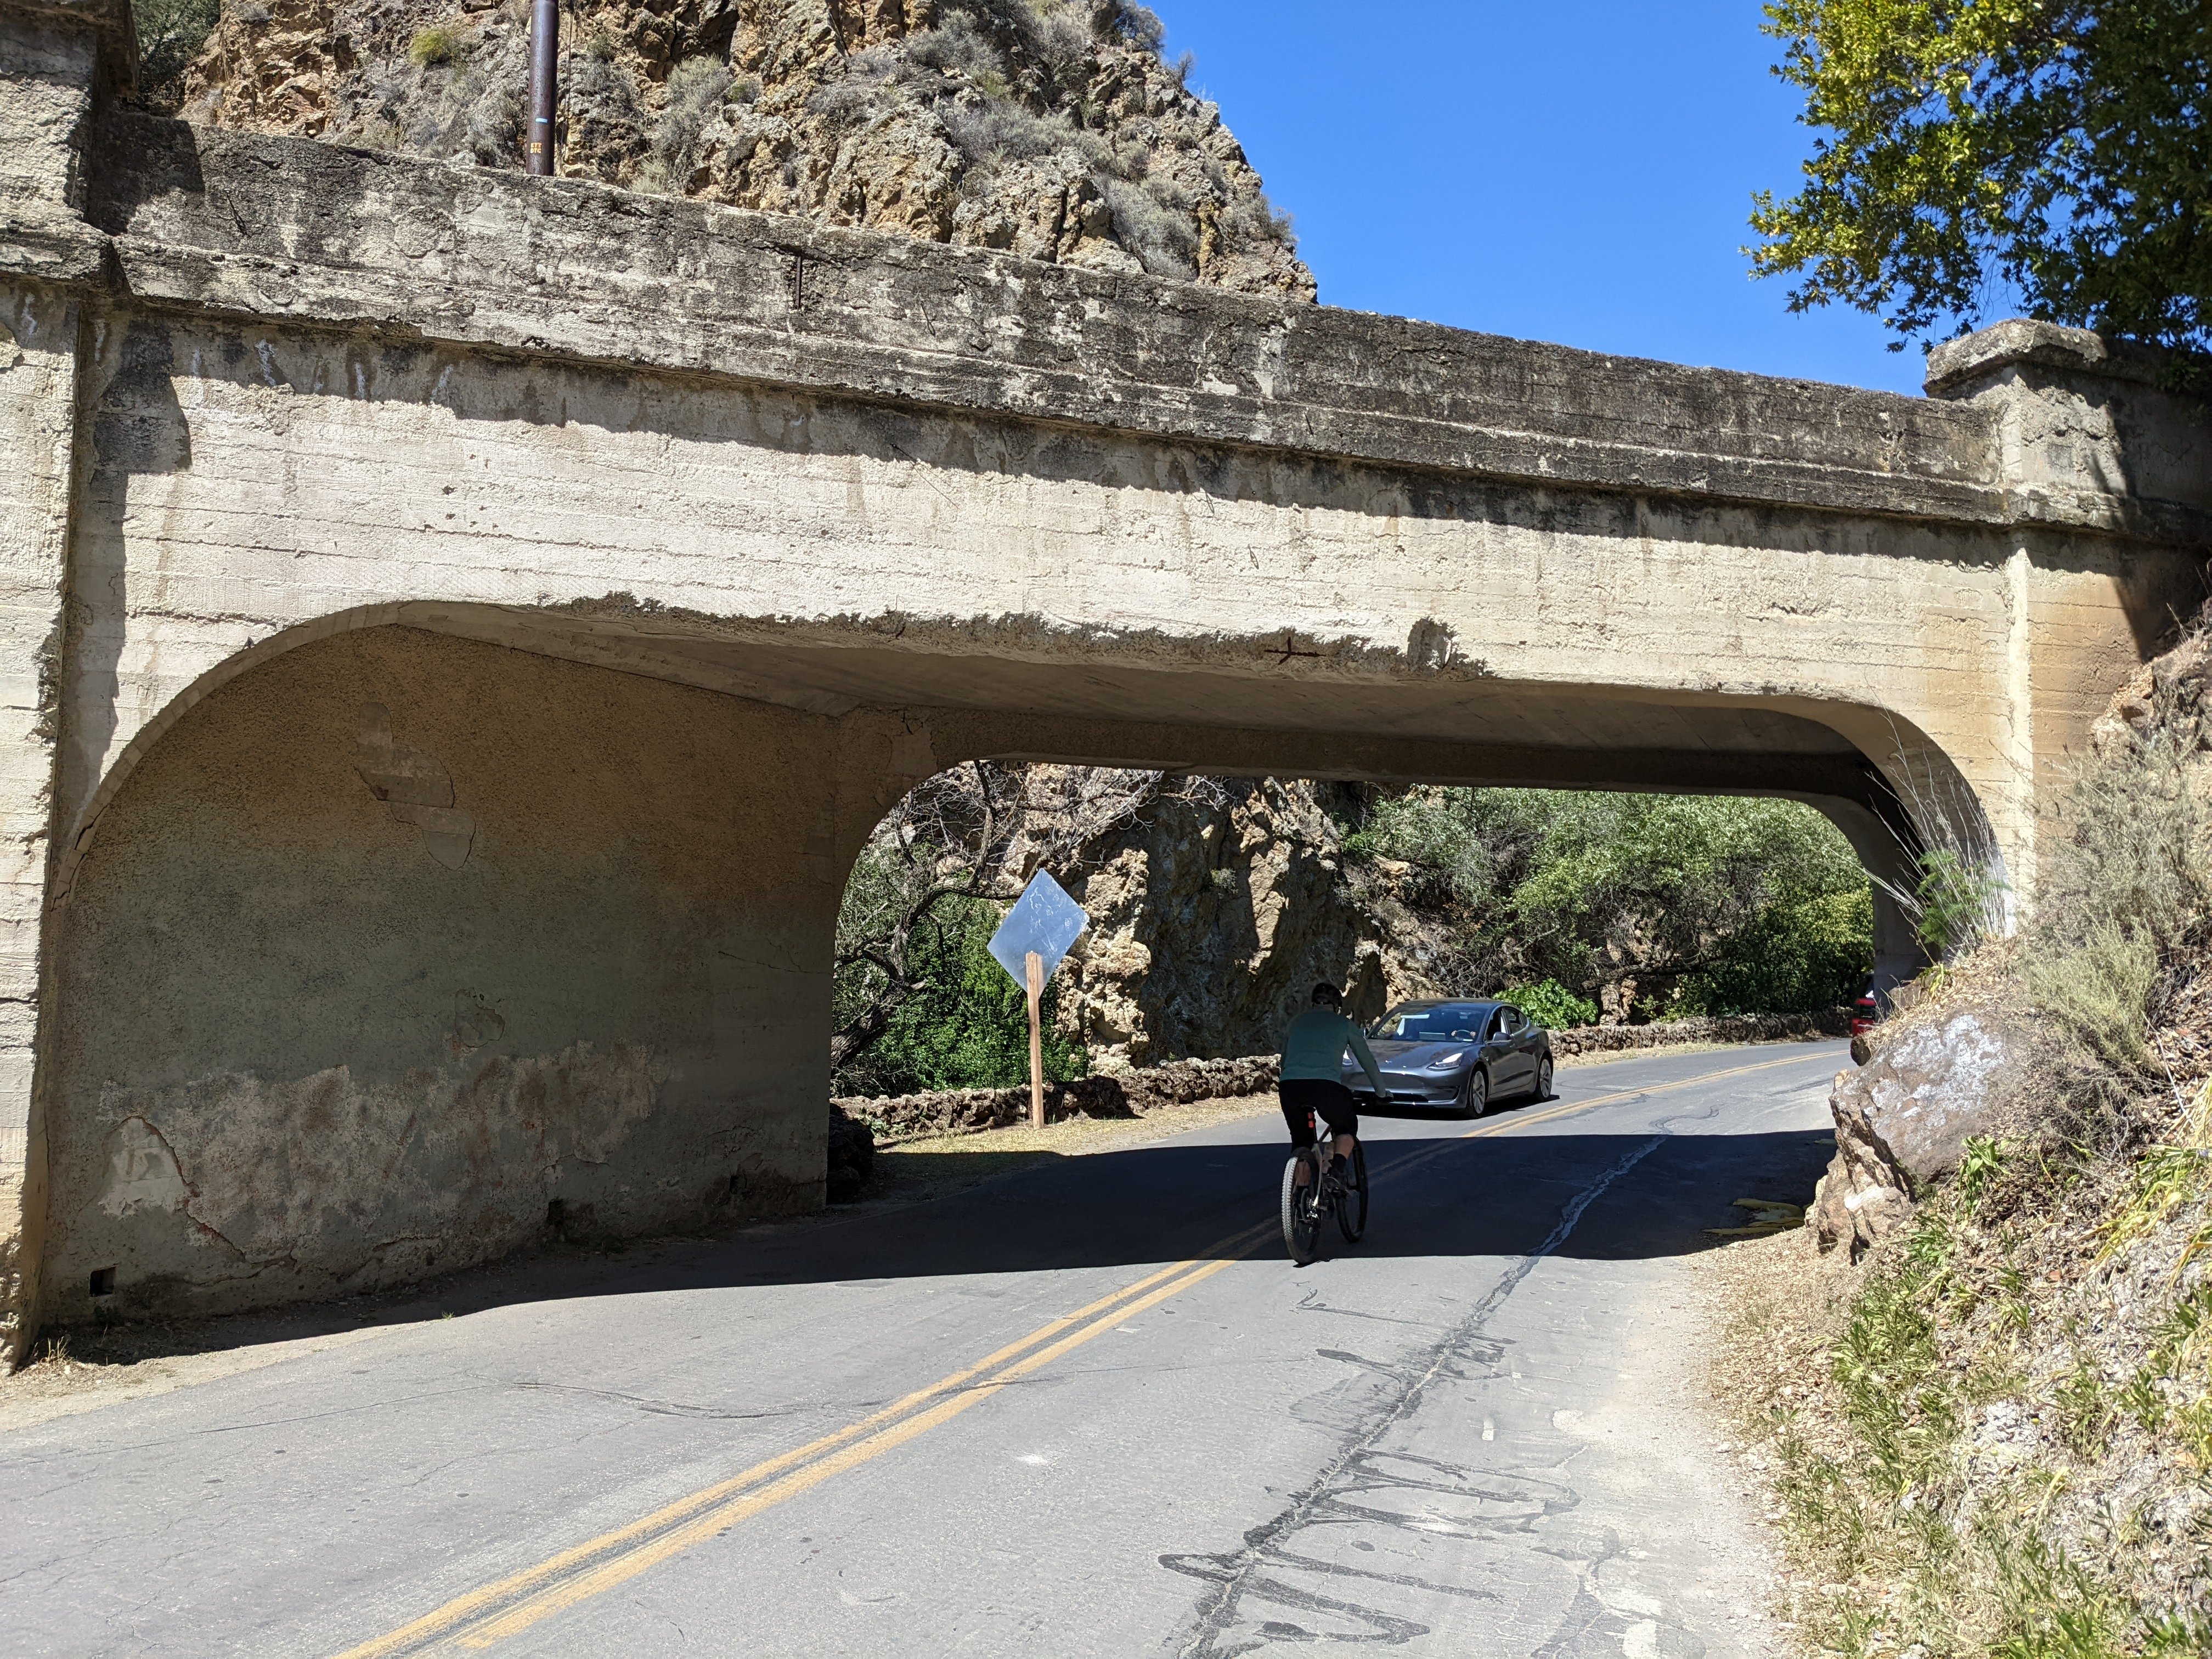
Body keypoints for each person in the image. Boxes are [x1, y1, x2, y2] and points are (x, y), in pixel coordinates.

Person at [1279, 981, 1389, 1187]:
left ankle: (1301, 1201)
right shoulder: (1344, 1024)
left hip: (1290, 1086)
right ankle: (1337, 1171)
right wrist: (1381, 1093)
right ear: (1337, 1006)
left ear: (1313, 1004)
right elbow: (1367, 1062)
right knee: (1346, 1127)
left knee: (1301, 1142)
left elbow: (1284, 1060)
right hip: (1326, 1087)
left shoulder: (1296, 1021)